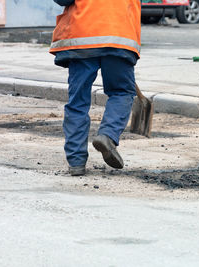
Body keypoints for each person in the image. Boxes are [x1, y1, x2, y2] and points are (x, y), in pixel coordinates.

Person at [50, 0, 141, 176]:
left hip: (82, 39)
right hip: (121, 37)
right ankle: (107, 135)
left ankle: (76, 161)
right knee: (121, 92)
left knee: (78, 101)